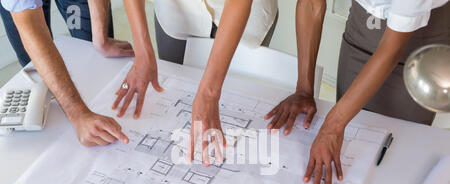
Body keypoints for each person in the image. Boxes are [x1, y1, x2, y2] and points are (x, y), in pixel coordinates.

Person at [265, 0, 450, 184]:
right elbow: (311, 3)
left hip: (417, 40)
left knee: (395, 164)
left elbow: (392, 48)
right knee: (351, 151)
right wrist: (304, 90)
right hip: (362, 26)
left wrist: (332, 127)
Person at [113, 0, 278, 165]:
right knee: (179, 96)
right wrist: (142, 51)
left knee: (237, 103)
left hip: (244, 17)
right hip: (176, 11)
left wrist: (209, 94)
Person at [0, 0, 133, 146]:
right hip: (21, 6)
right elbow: (31, 25)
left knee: (91, 54)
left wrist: (101, 39)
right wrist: (79, 114)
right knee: (37, 73)